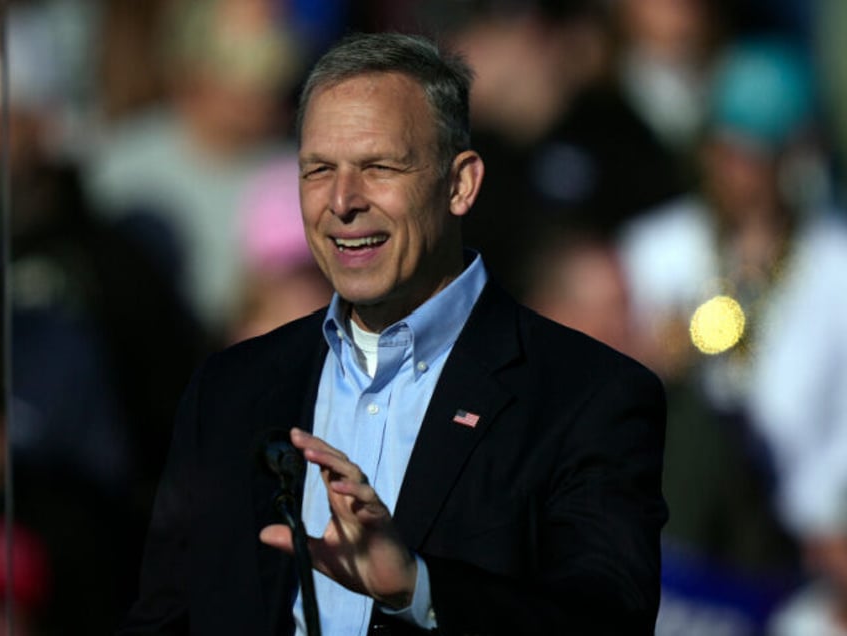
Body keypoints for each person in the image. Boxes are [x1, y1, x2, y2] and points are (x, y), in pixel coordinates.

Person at [119, 32, 667, 635]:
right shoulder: (229, 389)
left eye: (379, 167)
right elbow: (165, 618)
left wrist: (418, 588)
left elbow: (606, 621)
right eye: (318, 170)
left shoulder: (589, 396)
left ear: (460, 184)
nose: (343, 201)